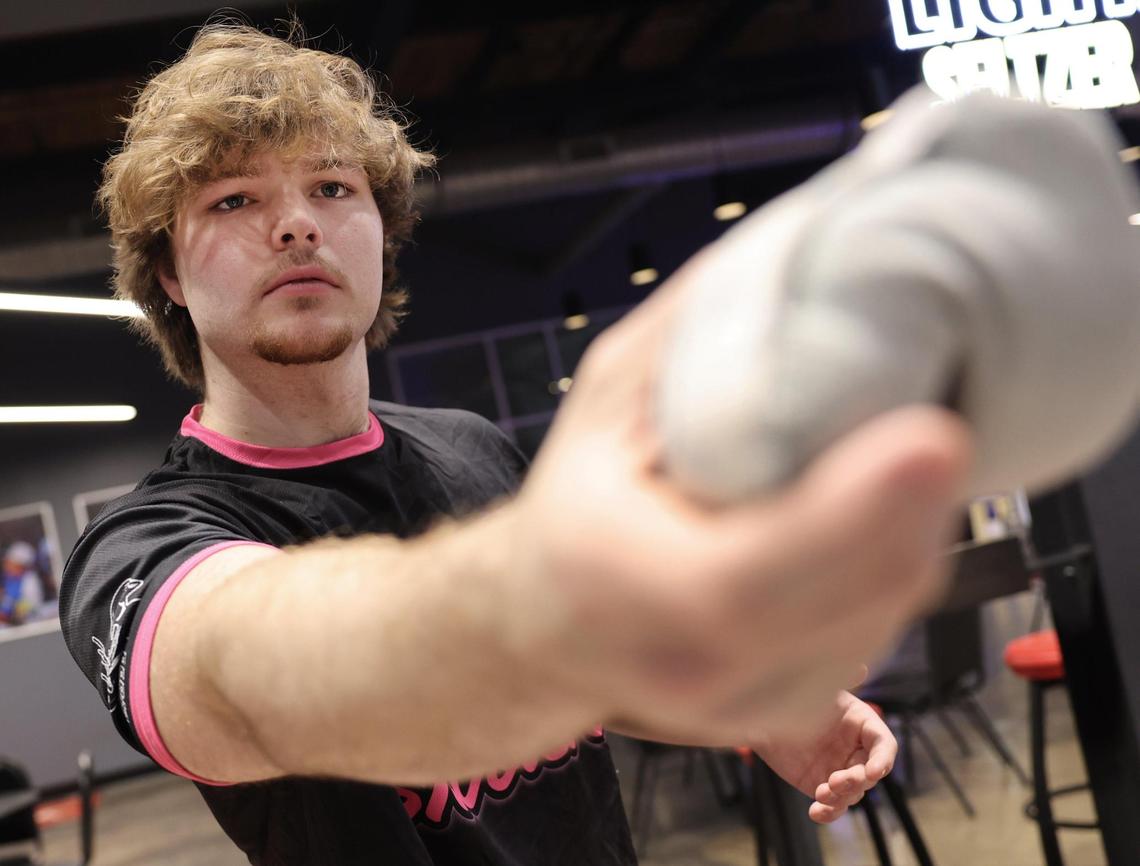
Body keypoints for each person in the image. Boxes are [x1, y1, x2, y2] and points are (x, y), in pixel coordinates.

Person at [59, 21, 972, 866]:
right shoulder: (140, 549)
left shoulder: (472, 447)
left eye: (332, 188)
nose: (296, 223)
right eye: (234, 199)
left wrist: (742, 708)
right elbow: (240, 674)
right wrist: (555, 584)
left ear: (381, 229)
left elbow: (573, 672)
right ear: (168, 273)